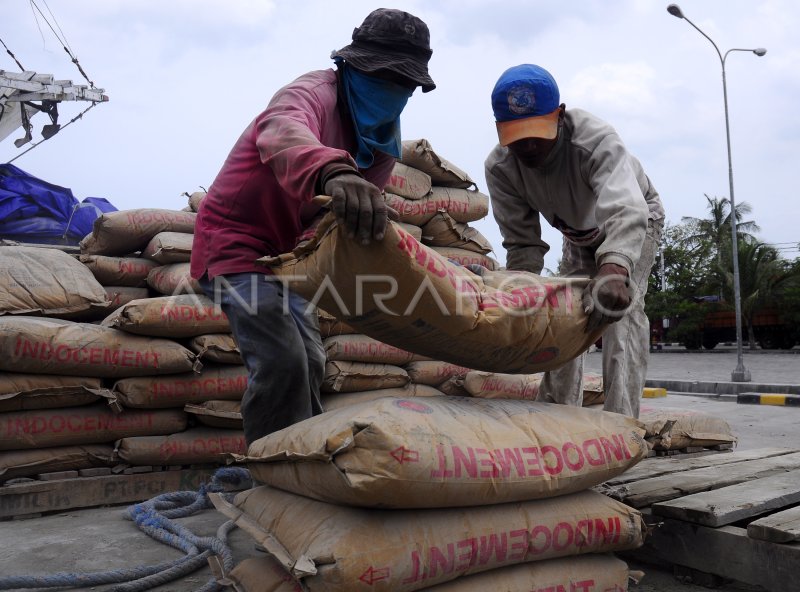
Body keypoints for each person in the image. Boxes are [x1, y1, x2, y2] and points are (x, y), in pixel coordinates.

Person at [190, 9, 435, 445]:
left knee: (311, 358)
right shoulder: (312, 93)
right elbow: (281, 128)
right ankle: (273, 467)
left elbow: (339, 222)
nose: (391, 92)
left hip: (292, 257)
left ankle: (303, 454)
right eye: (381, 78)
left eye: (403, 85)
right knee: (282, 358)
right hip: (237, 242)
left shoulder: (380, 145)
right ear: (349, 66)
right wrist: (333, 172)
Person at [484, 64, 664, 418]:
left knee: (617, 309)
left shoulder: (595, 140)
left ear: (560, 116)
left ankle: (619, 424)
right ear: (499, 129)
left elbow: (626, 210)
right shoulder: (501, 168)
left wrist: (614, 269)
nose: (529, 144)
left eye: (538, 131)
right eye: (517, 135)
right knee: (563, 313)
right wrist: (521, 293)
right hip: (578, 234)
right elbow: (523, 247)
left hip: (634, 220)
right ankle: (557, 416)